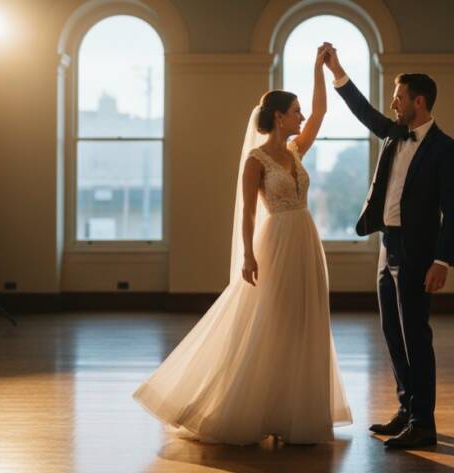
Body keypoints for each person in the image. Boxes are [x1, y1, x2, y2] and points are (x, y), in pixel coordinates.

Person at [133, 44, 352, 446]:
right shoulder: (256, 160)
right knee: (271, 323)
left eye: (300, 111)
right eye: (295, 111)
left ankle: (293, 412)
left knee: (305, 324)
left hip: (306, 240)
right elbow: (249, 213)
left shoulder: (295, 150)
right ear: (278, 117)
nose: (302, 116)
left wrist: (320, 68)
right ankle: (251, 408)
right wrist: (248, 254)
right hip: (277, 243)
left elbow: (321, 113)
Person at [323, 45, 454, 449]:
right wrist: (337, 71)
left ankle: (425, 424)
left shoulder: (445, 149)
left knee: (415, 334)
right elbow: (364, 111)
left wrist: (442, 260)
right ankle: (407, 409)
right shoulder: (393, 133)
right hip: (388, 245)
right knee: (391, 331)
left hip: (419, 253)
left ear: (418, 102)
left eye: (399, 97)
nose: (393, 103)